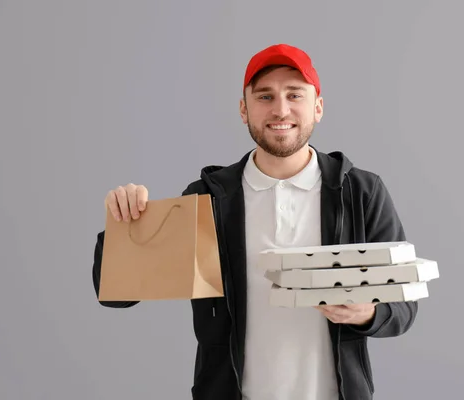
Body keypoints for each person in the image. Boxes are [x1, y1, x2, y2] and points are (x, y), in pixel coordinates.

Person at [92, 43, 419, 400]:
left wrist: (366, 313)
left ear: (318, 107)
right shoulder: (207, 199)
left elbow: (404, 308)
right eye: (265, 97)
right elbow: (117, 296)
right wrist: (123, 224)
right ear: (244, 110)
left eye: (295, 95)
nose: (280, 109)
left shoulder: (361, 191)